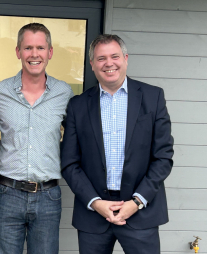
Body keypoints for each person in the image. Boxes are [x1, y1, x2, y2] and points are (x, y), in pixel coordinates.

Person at [61, 34, 174, 254]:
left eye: (114, 56)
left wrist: (137, 201)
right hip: (94, 215)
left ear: (125, 58)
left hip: (141, 211)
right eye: (101, 58)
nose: (109, 63)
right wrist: (95, 202)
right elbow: (69, 163)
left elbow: (163, 157)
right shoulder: (78, 105)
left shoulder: (153, 97)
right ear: (92, 64)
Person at [0, 23, 74, 254]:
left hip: (48, 197)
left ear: (50, 52)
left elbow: (80, 139)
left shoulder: (64, 94)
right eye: (28, 48)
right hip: (8, 195)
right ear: (18, 52)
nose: (34, 54)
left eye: (40, 48)